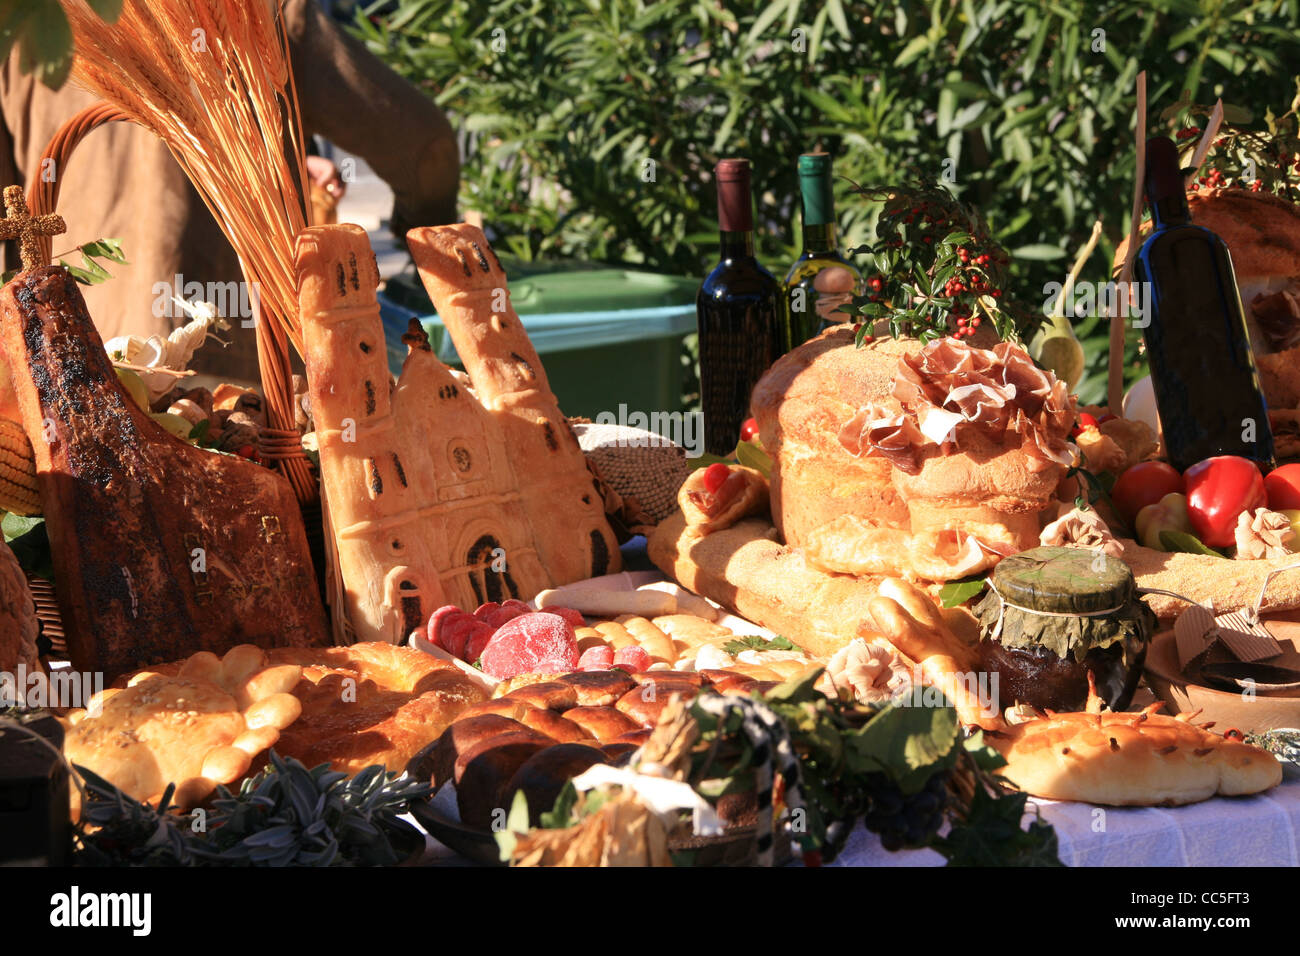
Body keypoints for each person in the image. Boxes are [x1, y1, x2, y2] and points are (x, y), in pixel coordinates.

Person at [0, 0, 459, 381]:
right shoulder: (252, 8)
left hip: (78, 359)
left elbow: (8, 219)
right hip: (239, 361)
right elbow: (425, 147)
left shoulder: (23, 20)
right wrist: (422, 241)